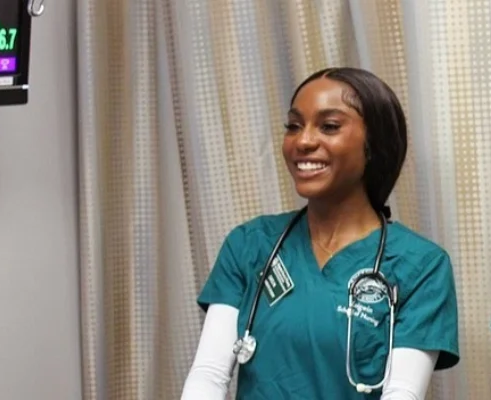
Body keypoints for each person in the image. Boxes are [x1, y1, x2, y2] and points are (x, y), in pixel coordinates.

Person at [181, 67, 460, 400]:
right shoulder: (250, 244)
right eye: (294, 126)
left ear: (374, 144)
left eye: (329, 126)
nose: (304, 141)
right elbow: (209, 376)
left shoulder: (420, 266)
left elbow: (402, 394)